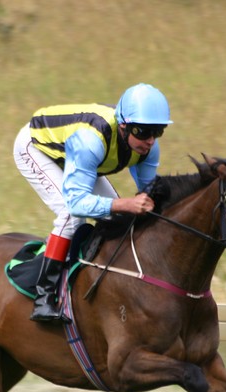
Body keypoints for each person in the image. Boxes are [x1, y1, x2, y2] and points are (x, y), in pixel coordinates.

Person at [13, 83, 172, 322]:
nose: (149, 140)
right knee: (70, 216)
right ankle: (44, 299)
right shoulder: (91, 139)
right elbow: (78, 203)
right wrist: (125, 204)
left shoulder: (148, 147)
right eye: (142, 131)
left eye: (157, 132)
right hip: (36, 148)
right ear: (124, 126)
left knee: (116, 216)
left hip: (77, 156)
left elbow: (149, 194)